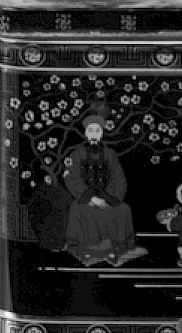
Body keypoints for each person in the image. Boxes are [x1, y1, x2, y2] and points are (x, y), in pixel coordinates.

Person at [60, 112, 144, 265]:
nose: (94, 134)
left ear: (102, 133)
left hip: (107, 197)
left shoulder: (110, 154)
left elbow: (118, 178)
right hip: (86, 198)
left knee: (123, 210)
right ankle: (86, 250)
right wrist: (91, 198)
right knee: (79, 209)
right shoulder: (76, 154)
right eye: (91, 130)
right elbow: (72, 177)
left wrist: (107, 198)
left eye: (97, 130)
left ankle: (113, 249)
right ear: (86, 133)